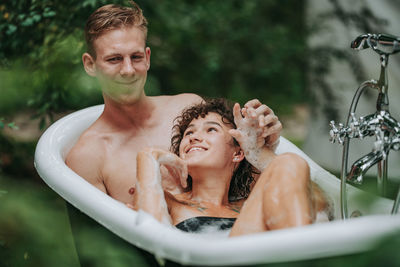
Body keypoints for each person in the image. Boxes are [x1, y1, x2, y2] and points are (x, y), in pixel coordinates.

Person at [65, 2, 282, 206]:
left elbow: (245, 197)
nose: (128, 70)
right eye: (114, 59)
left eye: (136, 57)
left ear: (148, 57)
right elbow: (93, 244)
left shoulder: (189, 109)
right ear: (90, 64)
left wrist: (264, 148)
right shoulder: (87, 158)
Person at [134, 98, 331, 236]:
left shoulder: (249, 205)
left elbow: (321, 206)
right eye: (188, 133)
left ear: (238, 153)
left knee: (290, 161)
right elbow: (151, 236)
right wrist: (149, 156)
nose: (193, 136)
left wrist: (259, 154)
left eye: (211, 129)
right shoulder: (169, 201)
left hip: (256, 257)